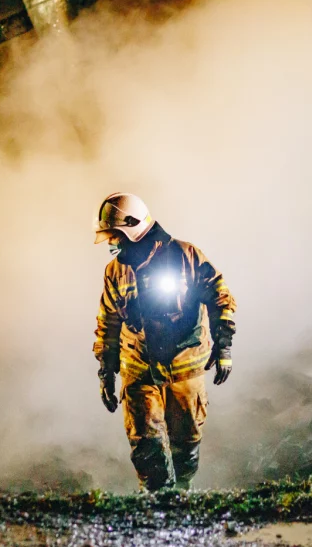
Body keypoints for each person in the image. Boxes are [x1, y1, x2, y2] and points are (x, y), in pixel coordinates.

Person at [93, 192, 236, 490]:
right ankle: (157, 508)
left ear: (131, 229)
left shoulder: (187, 257)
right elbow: (108, 322)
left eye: (115, 236)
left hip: (185, 371)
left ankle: (181, 501)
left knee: (186, 450)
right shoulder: (115, 272)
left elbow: (220, 297)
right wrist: (107, 372)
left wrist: (223, 346)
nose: (112, 244)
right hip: (139, 371)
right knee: (147, 449)